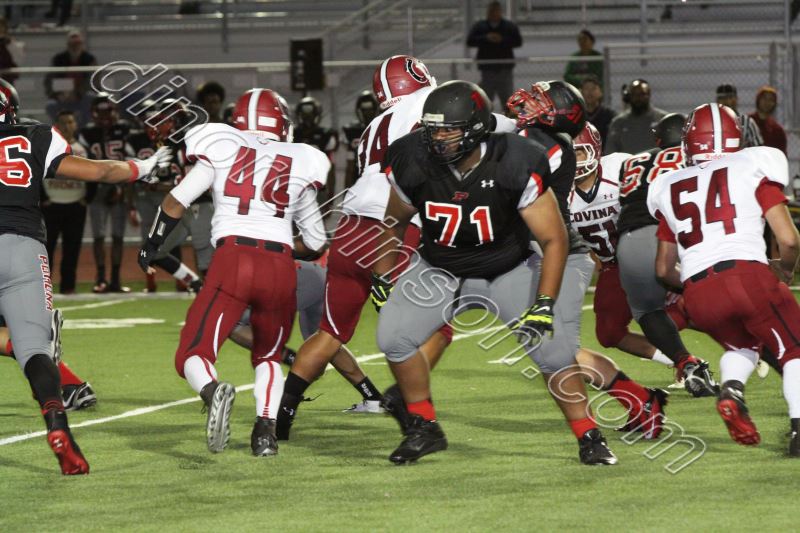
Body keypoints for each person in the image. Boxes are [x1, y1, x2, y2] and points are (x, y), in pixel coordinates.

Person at [373, 80, 617, 466]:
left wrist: (544, 302)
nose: (437, 138)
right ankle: (424, 427)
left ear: (475, 129)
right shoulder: (411, 157)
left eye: (448, 130)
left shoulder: (516, 159)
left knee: (553, 352)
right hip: (440, 266)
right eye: (432, 129)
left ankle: (589, 436)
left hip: (507, 267)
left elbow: (553, 239)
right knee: (393, 337)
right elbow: (394, 220)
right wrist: (382, 274)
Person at [138, 88, 328, 457]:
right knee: (269, 355)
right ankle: (265, 433)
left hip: (233, 259)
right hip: (279, 265)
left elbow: (176, 200)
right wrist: (279, 242)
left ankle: (212, 392)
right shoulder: (302, 159)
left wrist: (152, 243)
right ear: (281, 122)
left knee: (194, 350)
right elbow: (317, 241)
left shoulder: (222, 147)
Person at [275, 55, 453, 440]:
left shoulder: (374, 126)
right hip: (391, 228)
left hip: (350, 226)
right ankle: (406, 401)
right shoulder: (428, 104)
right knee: (439, 325)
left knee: (330, 333)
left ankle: (280, 419)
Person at [0, 89, 171, 474]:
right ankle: (58, 425)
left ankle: (68, 384)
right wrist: (142, 167)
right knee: (35, 349)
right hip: (23, 247)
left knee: (21, 342)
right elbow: (100, 172)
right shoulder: (34, 135)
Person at [511, 87, 669, 442]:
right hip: (537, 255)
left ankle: (632, 406)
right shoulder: (530, 140)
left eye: (540, 103)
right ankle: (639, 401)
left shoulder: (551, 149)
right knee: (550, 348)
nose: (528, 106)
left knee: (556, 350)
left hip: (562, 256)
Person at [649, 102, 800, 455]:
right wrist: (785, 268)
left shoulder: (669, 184)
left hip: (699, 292)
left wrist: (696, 281)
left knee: (742, 345)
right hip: (747, 275)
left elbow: (663, 268)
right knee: (794, 349)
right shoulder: (753, 164)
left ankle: (732, 390)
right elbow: (789, 238)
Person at [616, 112, 717, 396]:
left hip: (631, 238)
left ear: (659, 139)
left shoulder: (631, 161)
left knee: (648, 312)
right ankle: (753, 342)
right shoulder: (697, 156)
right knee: (715, 294)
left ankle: (687, 363)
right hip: (677, 234)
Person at [126, 99, 203, 292]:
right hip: (184, 204)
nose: (159, 126)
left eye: (166, 121)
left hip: (204, 205)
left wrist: (163, 186)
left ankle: (217, 292)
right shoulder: (173, 144)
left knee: (210, 253)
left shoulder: (192, 141)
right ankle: (195, 283)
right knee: (155, 250)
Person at [78, 94, 133, 293]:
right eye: (101, 112)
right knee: (99, 236)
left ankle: (116, 279)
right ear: (94, 113)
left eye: (108, 111)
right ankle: (101, 278)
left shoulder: (125, 129)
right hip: (97, 188)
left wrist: (122, 187)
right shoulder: (86, 133)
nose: (105, 116)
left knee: (118, 236)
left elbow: (132, 159)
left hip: (120, 186)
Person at [43, 110, 86, 295]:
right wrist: (43, 198)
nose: (67, 126)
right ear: (57, 125)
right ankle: (45, 289)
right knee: (46, 249)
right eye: (63, 122)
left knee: (72, 249)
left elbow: (94, 174)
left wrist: (87, 198)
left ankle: (68, 287)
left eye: (70, 122)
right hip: (52, 205)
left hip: (76, 205)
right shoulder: (49, 147)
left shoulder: (83, 148)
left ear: (75, 124)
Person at [466, 0, 522, 108]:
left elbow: (518, 41)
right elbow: (470, 41)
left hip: (504, 69)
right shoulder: (480, 26)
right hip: (487, 70)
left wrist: (502, 39)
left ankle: (508, 117)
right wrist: (486, 38)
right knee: (486, 100)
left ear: (500, 12)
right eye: (491, 11)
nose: (494, 13)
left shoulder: (508, 26)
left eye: (496, 11)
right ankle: (486, 118)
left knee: (507, 100)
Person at [44, 30, 97, 124]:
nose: (75, 46)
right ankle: (62, 127)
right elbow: (49, 81)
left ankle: (83, 127)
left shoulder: (89, 59)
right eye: (72, 44)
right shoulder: (58, 59)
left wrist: (77, 94)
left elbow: (93, 81)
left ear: (82, 44)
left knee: (90, 97)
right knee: (50, 105)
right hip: (62, 96)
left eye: (78, 43)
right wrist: (58, 94)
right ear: (68, 44)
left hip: (82, 97)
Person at [294, 96, 338, 204]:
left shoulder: (325, 135)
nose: (307, 118)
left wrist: (331, 192)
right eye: (304, 115)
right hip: (296, 188)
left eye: (310, 115)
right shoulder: (293, 134)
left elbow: (330, 167)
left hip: (318, 188)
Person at [605, 79, 667, 155]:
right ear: (629, 97)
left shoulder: (663, 119)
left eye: (642, 94)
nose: (638, 98)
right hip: (627, 162)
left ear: (649, 95)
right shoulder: (618, 123)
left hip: (656, 162)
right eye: (634, 94)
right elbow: (611, 153)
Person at [341, 90, 379, 189]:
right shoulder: (352, 131)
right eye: (364, 110)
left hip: (379, 177)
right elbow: (350, 166)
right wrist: (347, 191)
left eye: (370, 109)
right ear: (359, 110)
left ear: (375, 109)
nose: (367, 113)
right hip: (359, 179)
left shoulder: (383, 126)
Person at [715, 84, 762, 148]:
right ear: (717, 101)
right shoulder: (712, 121)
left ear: (736, 99)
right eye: (722, 98)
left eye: (730, 97)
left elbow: (758, 148)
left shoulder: (747, 122)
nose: (726, 101)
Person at [749, 85, 787, 154]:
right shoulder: (747, 123)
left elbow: (782, 155)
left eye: (771, 100)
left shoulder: (778, 130)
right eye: (764, 98)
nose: (767, 102)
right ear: (758, 100)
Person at [580, 75, 616, 147]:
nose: (590, 92)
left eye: (593, 88)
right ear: (580, 92)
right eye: (586, 88)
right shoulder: (577, 115)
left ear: (600, 92)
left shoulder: (609, 116)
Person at [0, 17, 23, 85]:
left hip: (6, 78)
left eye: (1, 26)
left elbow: (18, 59)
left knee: (6, 91)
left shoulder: (11, 42)